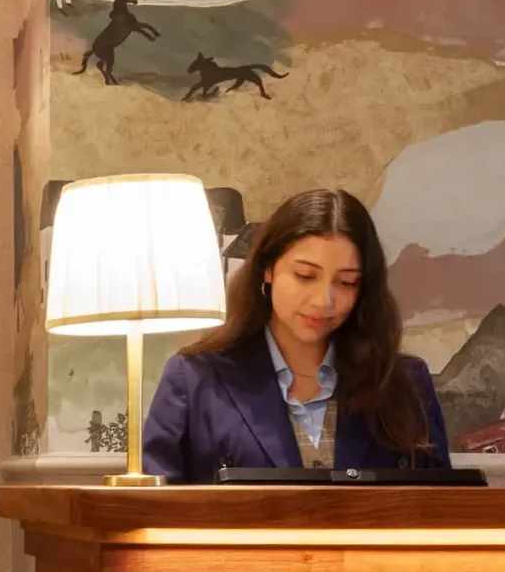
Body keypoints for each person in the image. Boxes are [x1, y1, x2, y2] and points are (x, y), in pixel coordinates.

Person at [139, 187, 451, 482]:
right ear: (268, 268)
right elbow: (152, 517)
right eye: (305, 276)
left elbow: (443, 516)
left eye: (347, 282)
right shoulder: (194, 379)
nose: (324, 301)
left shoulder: (405, 383)